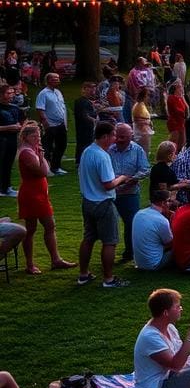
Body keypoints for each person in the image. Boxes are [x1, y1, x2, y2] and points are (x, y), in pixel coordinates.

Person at [77, 121, 134, 288]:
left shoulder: (87, 151)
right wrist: (122, 178)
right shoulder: (102, 156)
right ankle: (109, 279)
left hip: (87, 202)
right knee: (110, 241)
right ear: (105, 137)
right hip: (103, 202)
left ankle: (83, 274)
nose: (115, 139)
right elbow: (108, 184)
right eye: (113, 135)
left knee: (88, 239)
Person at [16, 123, 74, 273]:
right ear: (25, 137)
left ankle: (55, 259)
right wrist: (42, 157)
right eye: (34, 136)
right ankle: (31, 264)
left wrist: (42, 157)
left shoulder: (34, 150)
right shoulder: (27, 153)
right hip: (31, 195)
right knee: (33, 228)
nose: (37, 138)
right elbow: (43, 171)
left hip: (38, 194)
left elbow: (45, 169)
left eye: (38, 135)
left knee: (48, 226)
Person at [108, 122, 150, 263]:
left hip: (130, 193)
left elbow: (145, 169)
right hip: (111, 194)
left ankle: (129, 253)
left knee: (131, 224)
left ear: (130, 136)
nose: (119, 139)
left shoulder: (137, 150)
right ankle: (108, 254)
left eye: (123, 137)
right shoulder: (109, 149)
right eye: (117, 136)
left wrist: (133, 179)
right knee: (109, 224)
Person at [132, 189, 175, 271]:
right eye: (169, 201)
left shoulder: (139, 213)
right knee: (182, 244)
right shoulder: (161, 220)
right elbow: (170, 243)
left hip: (139, 263)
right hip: (155, 264)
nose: (170, 204)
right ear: (163, 203)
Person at [35, 72, 68, 175]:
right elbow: (40, 109)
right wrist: (45, 122)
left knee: (61, 145)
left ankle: (56, 166)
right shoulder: (43, 94)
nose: (58, 80)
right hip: (50, 125)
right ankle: (46, 167)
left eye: (58, 78)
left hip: (61, 124)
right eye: (55, 78)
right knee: (47, 147)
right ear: (49, 80)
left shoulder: (58, 92)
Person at [0, 84, 24, 198]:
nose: (11, 95)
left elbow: (20, 122)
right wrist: (9, 127)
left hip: (12, 140)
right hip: (1, 139)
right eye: (8, 93)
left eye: (12, 93)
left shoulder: (14, 108)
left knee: (8, 164)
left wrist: (19, 127)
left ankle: (6, 187)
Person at [73, 81, 99, 166]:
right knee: (84, 143)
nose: (92, 91)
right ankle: (80, 161)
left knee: (88, 142)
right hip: (83, 127)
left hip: (89, 127)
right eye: (90, 88)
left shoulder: (88, 101)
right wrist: (94, 121)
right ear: (84, 89)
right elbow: (84, 115)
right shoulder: (81, 102)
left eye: (94, 89)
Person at [165, 81, 188, 153]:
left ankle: (179, 155)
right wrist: (183, 114)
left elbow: (186, 108)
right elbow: (177, 110)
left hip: (181, 122)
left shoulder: (180, 98)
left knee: (182, 141)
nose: (182, 89)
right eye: (180, 88)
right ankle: (168, 153)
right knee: (174, 140)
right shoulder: (171, 98)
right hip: (174, 122)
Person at [133, 86, 154, 155]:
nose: (148, 97)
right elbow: (136, 119)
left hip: (145, 131)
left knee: (146, 149)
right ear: (144, 96)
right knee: (143, 150)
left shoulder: (142, 104)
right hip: (141, 132)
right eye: (147, 95)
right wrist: (147, 122)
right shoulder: (138, 105)